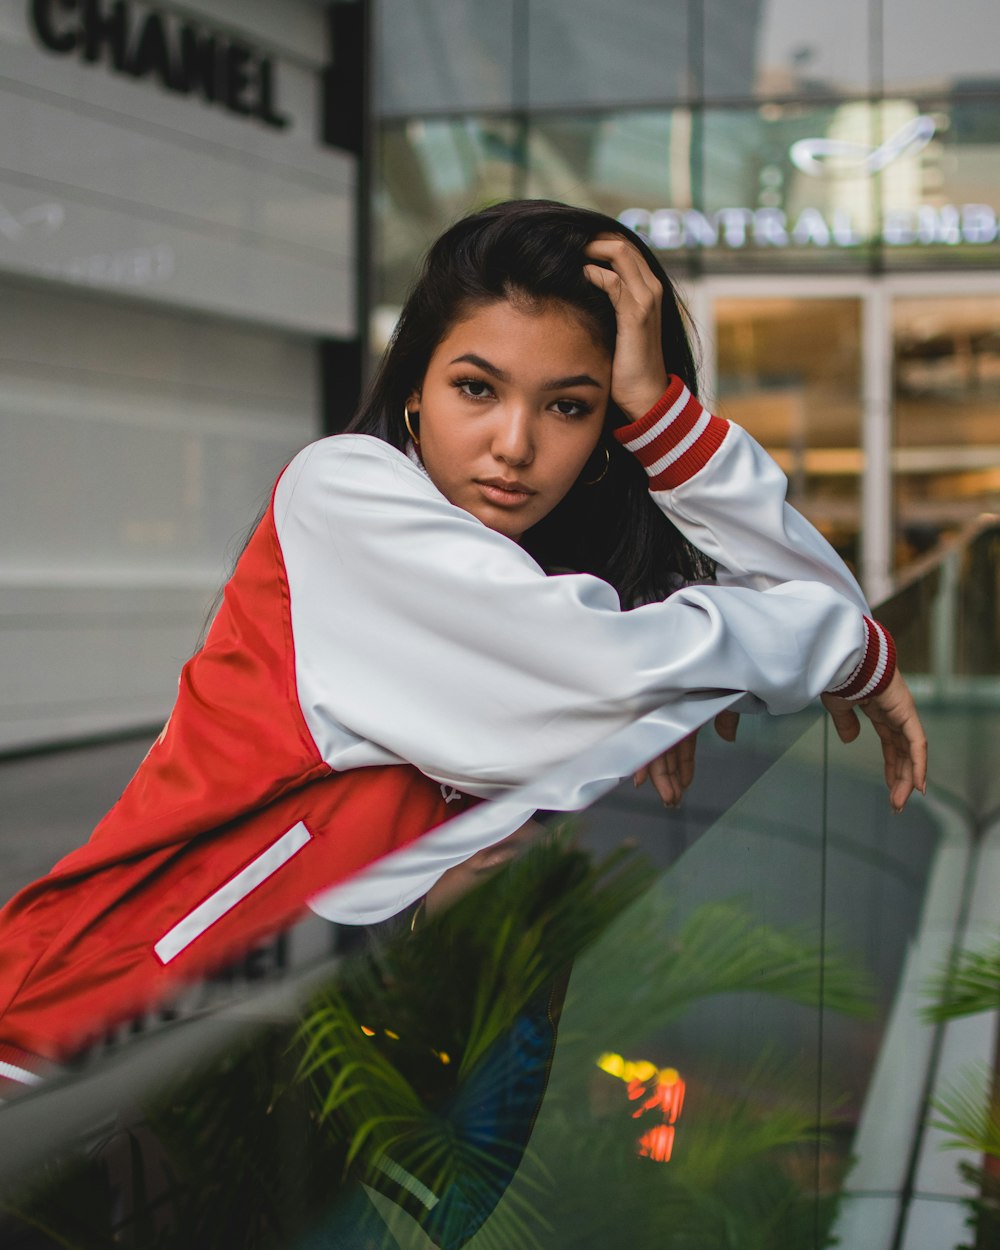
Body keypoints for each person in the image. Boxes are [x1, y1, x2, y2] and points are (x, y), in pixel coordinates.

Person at [0, 200, 926, 1096]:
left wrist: (661, 411)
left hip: (226, 1089)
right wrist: (770, 664)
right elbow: (619, 672)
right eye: (476, 389)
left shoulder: (528, 580)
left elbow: (823, 610)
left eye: (571, 408)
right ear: (414, 388)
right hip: (56, 1050)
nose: (513, 445)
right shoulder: (345, 495)